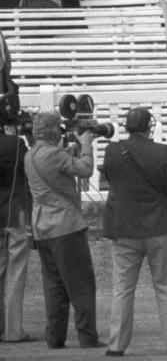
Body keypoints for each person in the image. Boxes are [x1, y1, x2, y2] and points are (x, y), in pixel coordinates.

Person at [101, 108, 167, 357]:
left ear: (127, 126)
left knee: (123, 289)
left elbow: (108, 178)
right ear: (148, 127)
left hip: (124, 227)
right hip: (159, 227)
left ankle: (116, 345)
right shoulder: (161, 151)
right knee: (166, 288)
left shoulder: (112, 151)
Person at [23, 112, 103, 349]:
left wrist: (70, 151)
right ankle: (87, 336)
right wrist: (87, 146)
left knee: (54, 286)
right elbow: (86, 169)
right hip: (65, 226)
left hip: (42, 226)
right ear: (52, 131)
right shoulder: (55, 155)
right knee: (81, 284)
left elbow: (55, 169)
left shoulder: (31, 155)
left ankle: (55, 337)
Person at [0, 104, 34, 343]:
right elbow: (31, 170)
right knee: (16, 272)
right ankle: (13, 330)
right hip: (14, 211)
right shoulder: (15, 145)